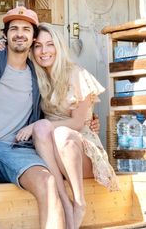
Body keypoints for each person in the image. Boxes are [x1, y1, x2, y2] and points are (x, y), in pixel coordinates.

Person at [0, 6, 66, 229]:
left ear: (33, 37)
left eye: (26, 29)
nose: (19, 33)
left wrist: (87, 120)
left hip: (16, 151)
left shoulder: (39, 75)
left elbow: (58, 107)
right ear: (5, 35)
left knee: (47, 182)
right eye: (14, 28)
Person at [12, 23, 119, 229]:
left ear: (59, 47)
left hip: (80, 151)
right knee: (44, 129)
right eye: (38, 46)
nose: (44, 51)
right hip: (51, 153)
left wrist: (38, 124)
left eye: (50, 44)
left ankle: (79, 203)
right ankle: (65, 202)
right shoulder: (37, 76)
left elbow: (79, 122)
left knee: (56, 131)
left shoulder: (76, 73)